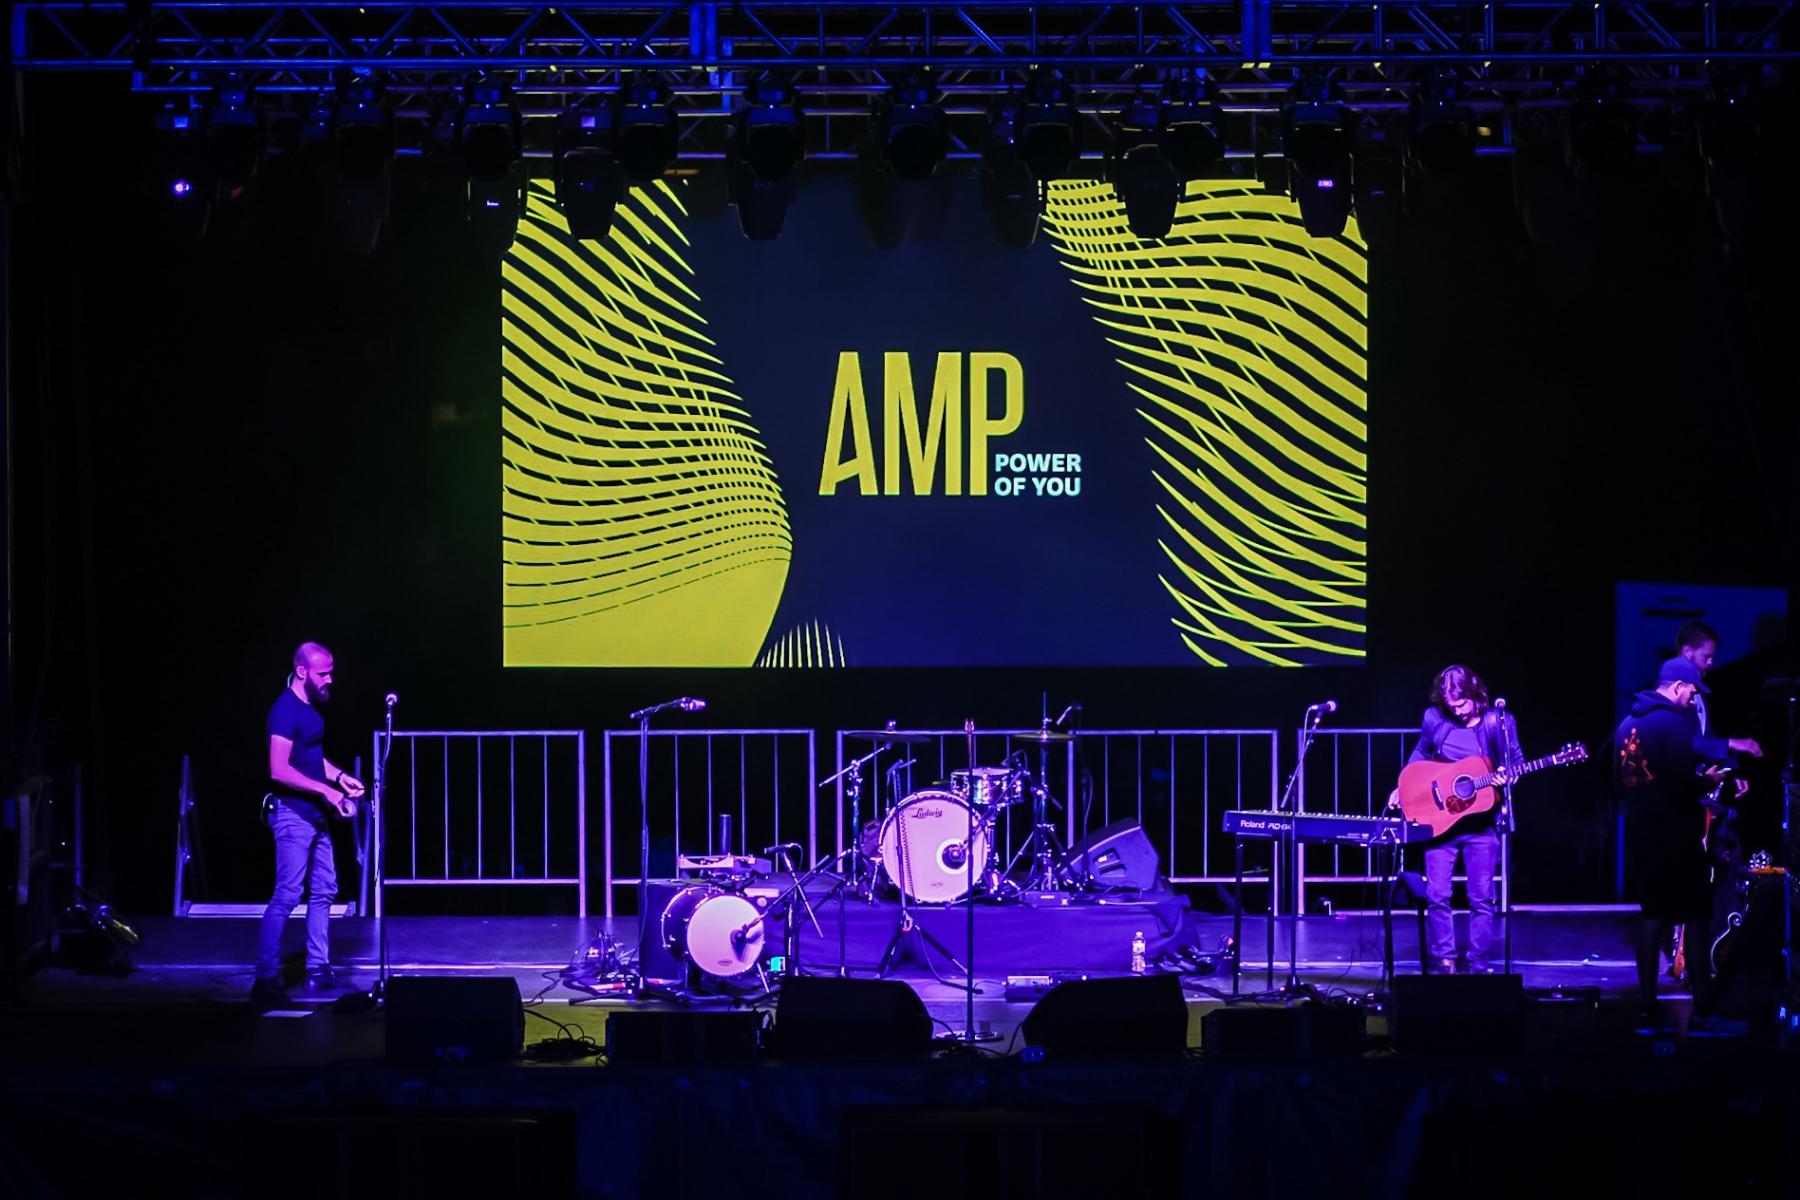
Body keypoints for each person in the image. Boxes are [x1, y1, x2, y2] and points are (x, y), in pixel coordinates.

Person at [1613, 656, 1745, 1035]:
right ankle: (1703, 1013)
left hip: (1641, 835)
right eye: (1691, 691)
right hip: (1675, 837)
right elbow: (1683, 786)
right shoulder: (1673, 723)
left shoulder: (1626, 725)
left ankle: (1647, 1012)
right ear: (1676, 687)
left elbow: (1619, 785)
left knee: (1652, 917)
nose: (1693, 698)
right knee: (1696, 918)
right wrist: (1708, 781)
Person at [251, 642, 365, 1008]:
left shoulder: (308, 711)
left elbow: (311, 758)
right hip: (293, 815)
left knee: (325, 890)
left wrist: (340, 778)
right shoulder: (285, 711)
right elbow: (279, 769)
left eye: (331, 672)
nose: (330, 679)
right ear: (302, 671)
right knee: (287, 894)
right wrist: (327, 792)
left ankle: (318, 968)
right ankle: (265, 979)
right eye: (323, 674)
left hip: (315, 815)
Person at [1404, 665, 1521, 976]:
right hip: (1440, 823)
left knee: (1482, 898)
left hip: (1481, 825)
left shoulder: (1499, 723)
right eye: (1450, 705)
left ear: (1475, 694)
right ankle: (1445, 959)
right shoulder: (1435, 719)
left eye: (1461, 704)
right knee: (1437, 895)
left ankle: (1478, 963)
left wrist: (1507, 777)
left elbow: (1517, 761)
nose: (1456, 711)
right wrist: (1403, 788)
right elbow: (1420, 752)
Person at [1673, 620, 1763, 765]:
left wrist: (1728, 766)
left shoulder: (1697, 688)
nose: (1711, 663)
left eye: (1712, 657)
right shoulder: (1671, 690)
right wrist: (1730, 743)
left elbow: (1706, 739)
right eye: (1706, 657)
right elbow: (1682, 741)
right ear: (1687, 652)